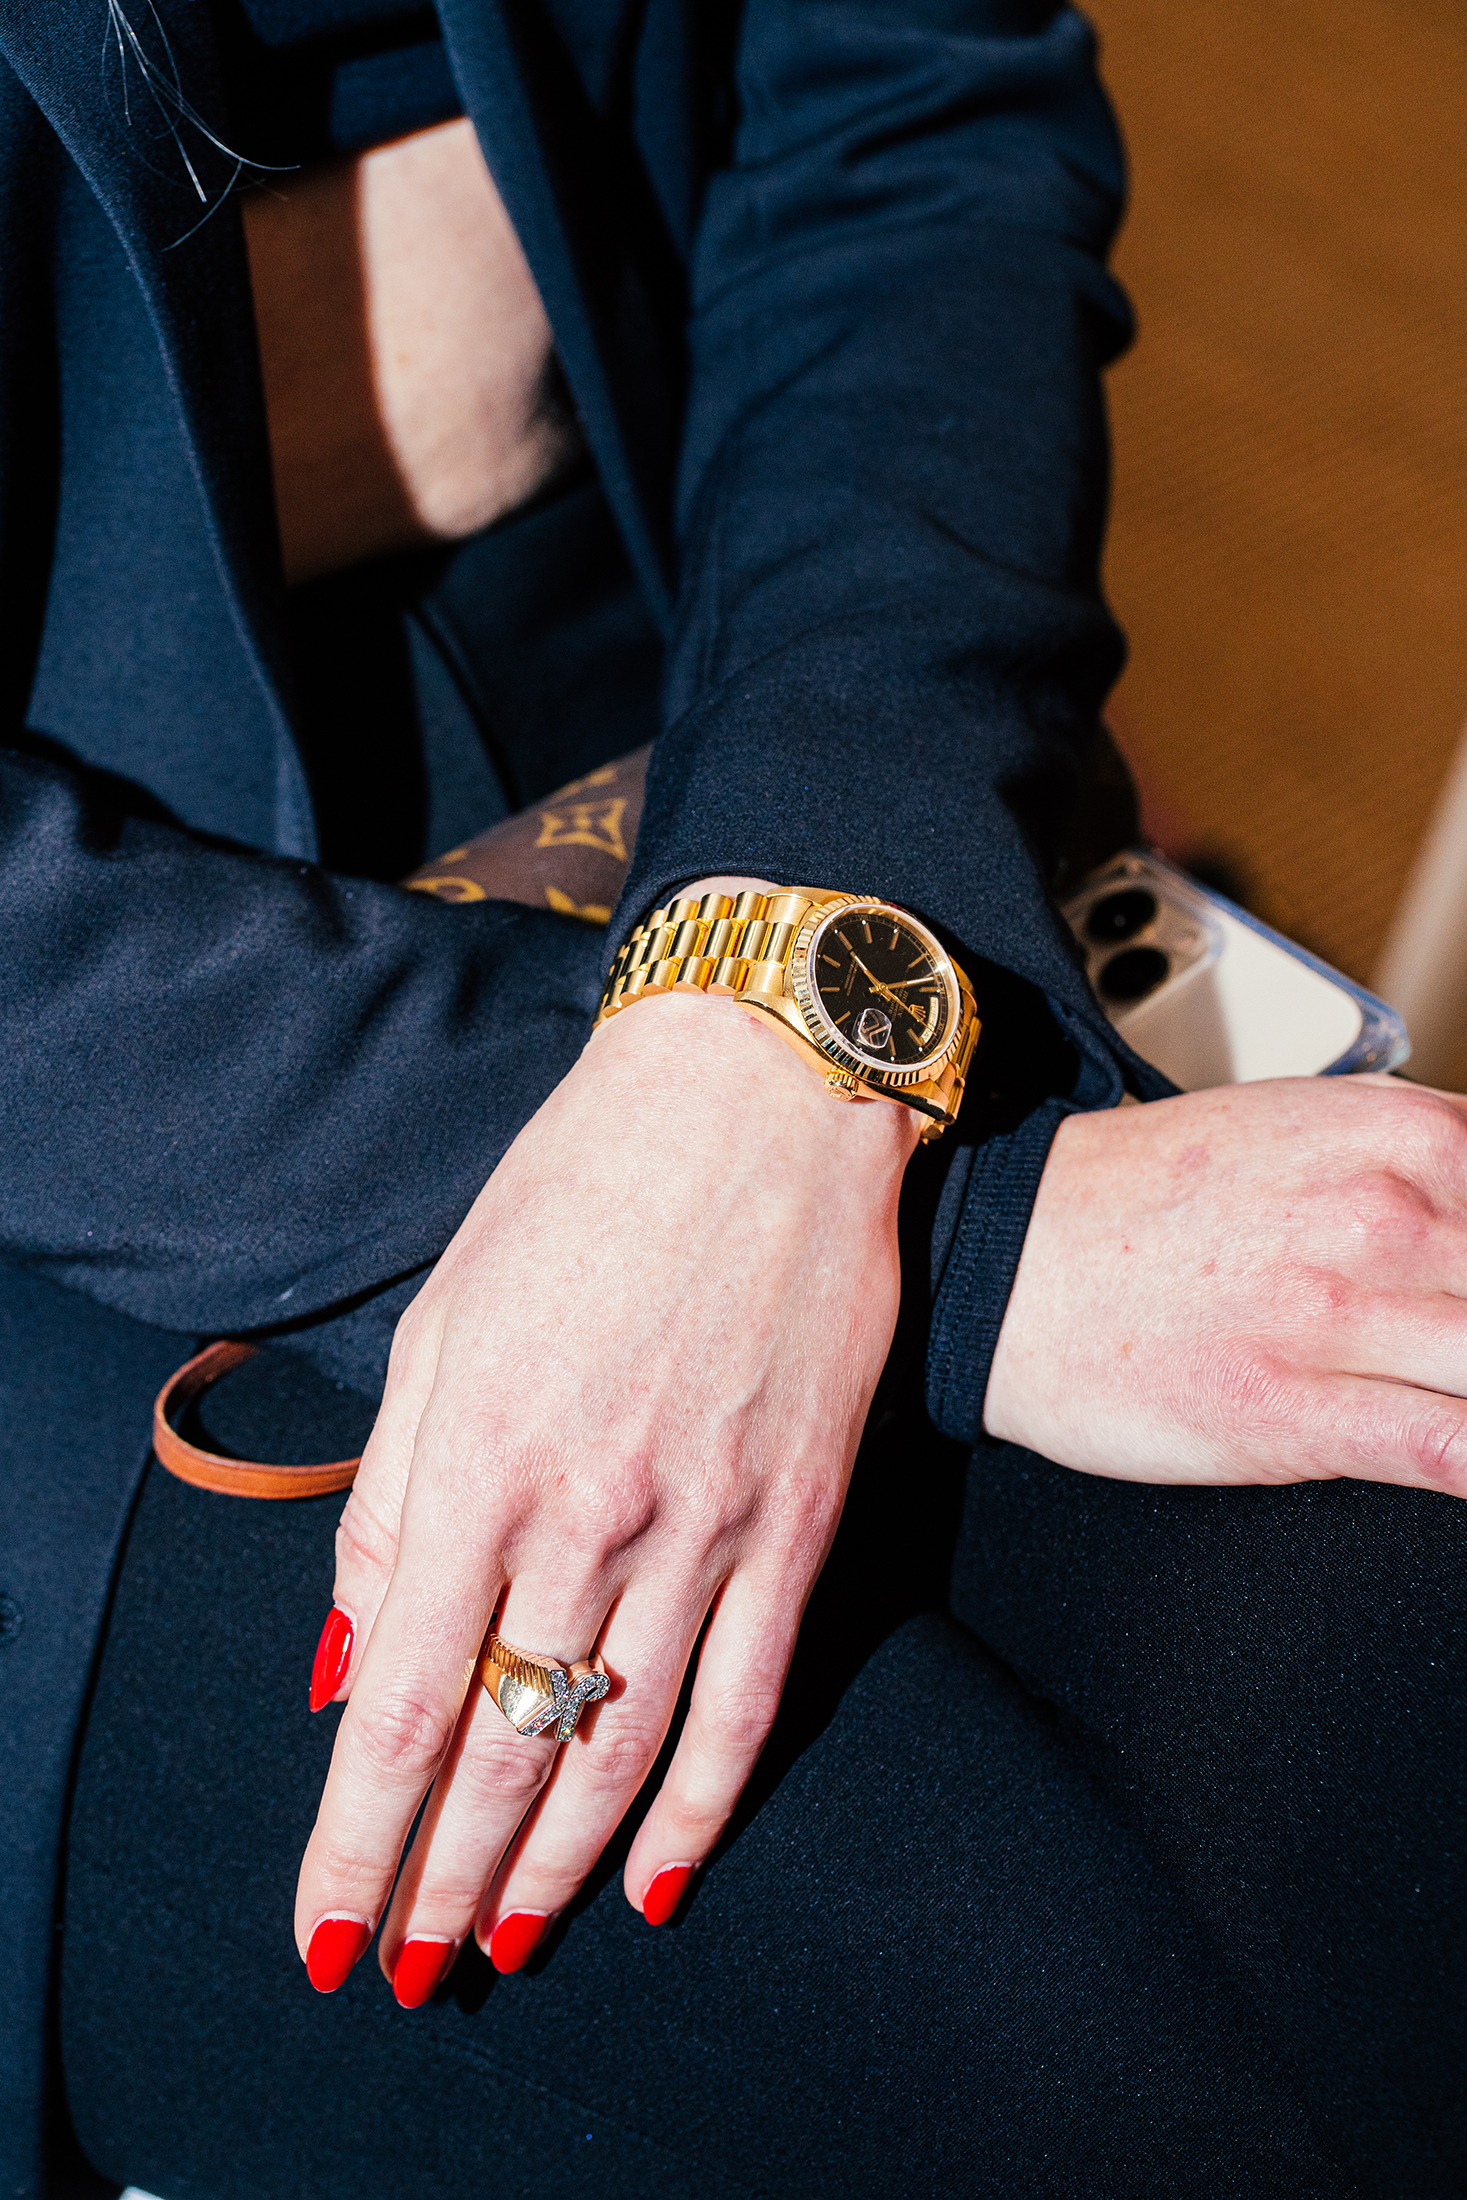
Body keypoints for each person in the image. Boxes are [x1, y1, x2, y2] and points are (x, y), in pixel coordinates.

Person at [1, 2, 1463, 2195]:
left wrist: (784, 989)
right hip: (86, 1098)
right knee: (1104, 2033)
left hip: (713, 681)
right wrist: (963, 1239)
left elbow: (905, 104)